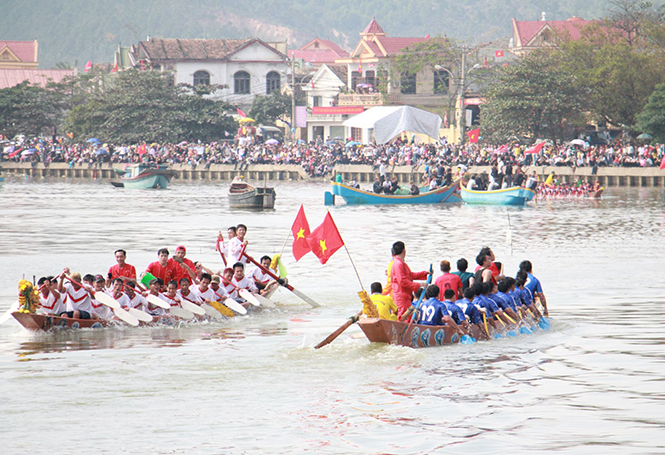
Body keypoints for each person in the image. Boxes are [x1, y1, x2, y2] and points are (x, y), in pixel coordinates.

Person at [390, 241, 428, 318]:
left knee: (408, 316)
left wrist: (424, 273)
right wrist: (419, 285)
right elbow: (402, 281)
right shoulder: (398, 264)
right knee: (403, 317)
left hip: (406, 295)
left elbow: (410, 275)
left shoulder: (401, 263)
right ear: (404, 250)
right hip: (401, 295)